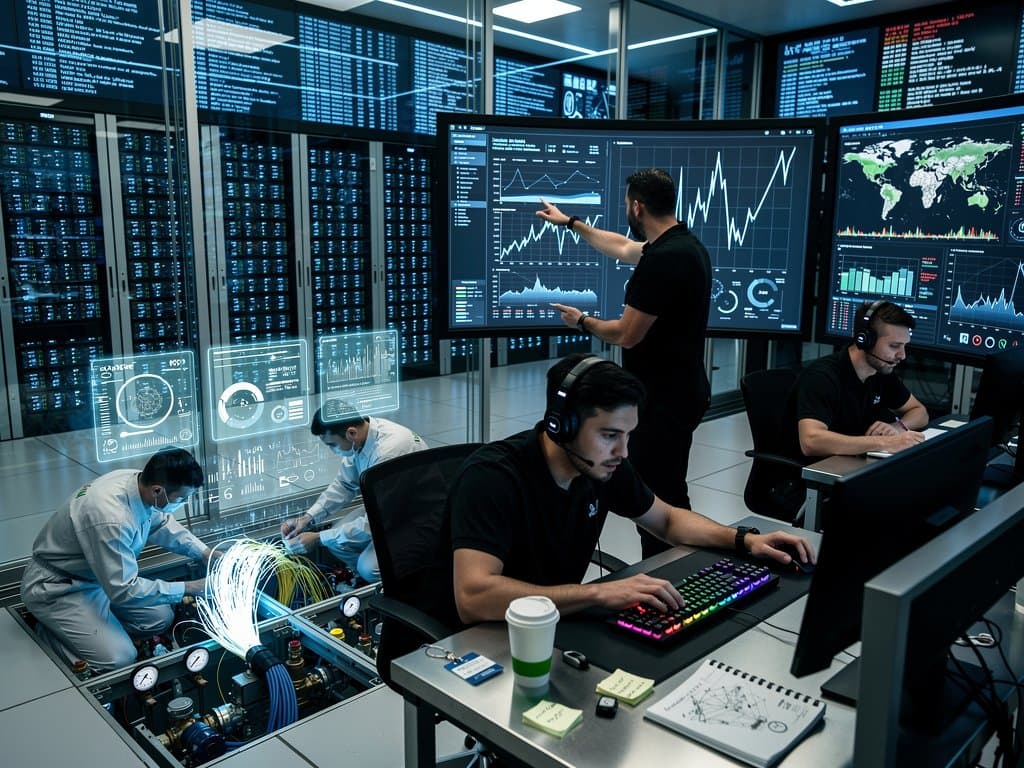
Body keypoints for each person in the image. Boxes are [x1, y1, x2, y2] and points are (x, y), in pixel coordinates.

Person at [448, 354, 814, 624]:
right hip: (478, 636)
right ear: (562, 425)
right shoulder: (492, 478)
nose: (622, 452)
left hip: (551, 619)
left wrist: (745, 540)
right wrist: (597, 593)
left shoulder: (601, 466)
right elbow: (473, 597)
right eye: (609, 435)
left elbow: (667, 520)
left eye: (627, 436)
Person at [536, 168, 711, 560]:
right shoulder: (683, 244)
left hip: (663, 400)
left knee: (659, 495)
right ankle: (671, 566)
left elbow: (625, 334)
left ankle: (668, 573)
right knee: (667, 485)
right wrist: (571, 223)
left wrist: (580, 320)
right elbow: (620, 247)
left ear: (637, 206)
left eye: (626, 205)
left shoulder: (662, 261)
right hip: (683, 390)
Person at [20, 447, 213, 671]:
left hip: (98, 580)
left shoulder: (139, 482)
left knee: (159, 618)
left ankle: (98, 633)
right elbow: (124, 590)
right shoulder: (111, 517)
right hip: (59, 589)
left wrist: (204, 552)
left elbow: (159, 523)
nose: (184, 503)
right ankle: (48, 631)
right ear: (158, 491)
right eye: (182, 498)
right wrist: (191, 587)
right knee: (120, 657)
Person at [280, 404, 426, 582]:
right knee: (337, 543)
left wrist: (318, 538)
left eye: (332, 444)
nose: (333, 450)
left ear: (351, 433)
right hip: (388, 507)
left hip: (416, 519)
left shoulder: (387, 453)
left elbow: (377, 522)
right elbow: (345, 484)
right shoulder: (362, 437)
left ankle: (392, 586)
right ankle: (365, 581)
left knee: (368, 567)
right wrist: (308, 518)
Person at [790, 299, 929, 458]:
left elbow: (920, 412)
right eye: (894, 346)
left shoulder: (881, 370)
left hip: (854, 464)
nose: (902, 355)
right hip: (814, 472)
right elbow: (811, 442)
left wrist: (897, 428)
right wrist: (886, 442)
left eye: (904, 346)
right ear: (864, 340)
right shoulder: (822, 377)